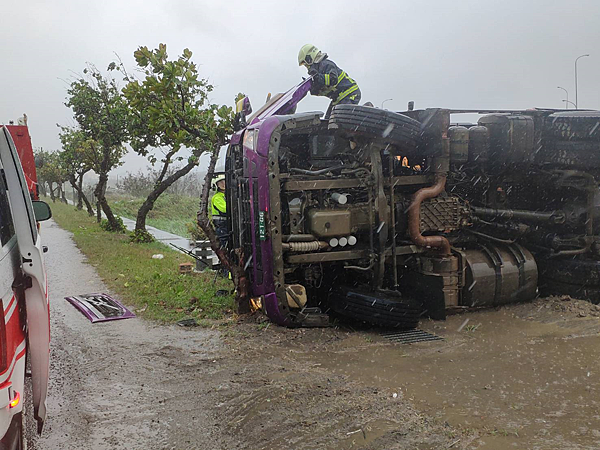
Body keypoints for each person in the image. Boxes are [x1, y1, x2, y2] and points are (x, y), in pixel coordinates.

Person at [298, 44, 361, 118]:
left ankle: (365, 112)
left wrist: (318, 77)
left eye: (306, 65)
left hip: (350, 93)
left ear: (310, 59)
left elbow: (333, 79)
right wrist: (311, 87)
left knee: (343, 117)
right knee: (328, 122)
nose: (307, 68)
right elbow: (324, 89)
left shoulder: (326, 64)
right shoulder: (319, 72)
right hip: (338, 99)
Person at [210, 174, 228, 250]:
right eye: (220, 182)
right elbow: (225, 209)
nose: (223, 184)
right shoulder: (217, 197)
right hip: (221, 225)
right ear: (216, 185)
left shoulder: (226, 195)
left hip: (226, 224)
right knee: (225, 246)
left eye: (224, 181)